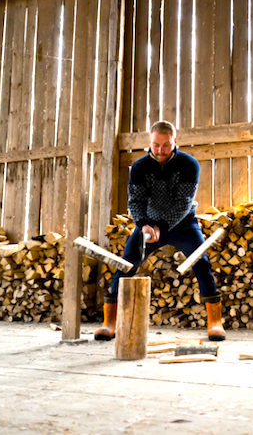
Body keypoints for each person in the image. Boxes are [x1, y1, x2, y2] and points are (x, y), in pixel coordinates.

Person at [95, 120, 225, 342]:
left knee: (201, 262)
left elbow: (184, 203)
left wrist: (161, 228)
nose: (160, 150)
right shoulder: (139, 167)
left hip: (183, 223)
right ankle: (110, 323)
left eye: (166, 145)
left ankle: (215, 322)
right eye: (156, 145)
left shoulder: (189, 165)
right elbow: (135, 201)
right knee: (126, 263)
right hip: (148, 224)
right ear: (150, 142)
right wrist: (144, 224)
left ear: (175, 142)